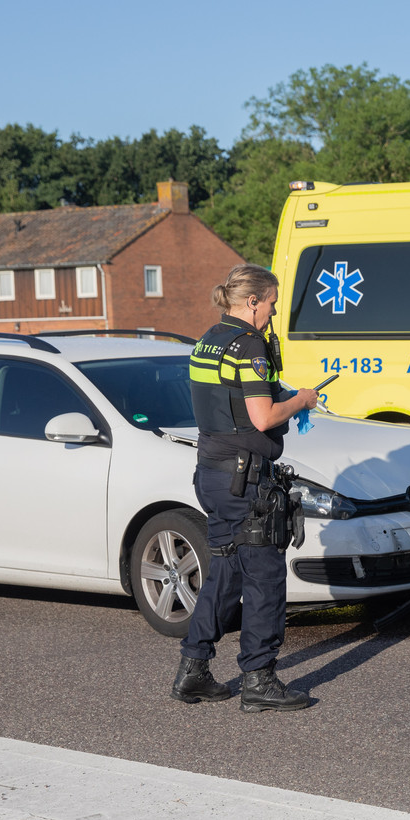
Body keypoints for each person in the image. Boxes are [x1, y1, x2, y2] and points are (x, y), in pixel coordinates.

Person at [170, 263, 319, 712]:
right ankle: (259, 678)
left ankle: (193, 669)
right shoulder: (250, 346)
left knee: (225, 570)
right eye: (271, 303)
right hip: (246, 480)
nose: (273, 313)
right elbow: (262, 417)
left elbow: (227, 403)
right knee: (265, 579)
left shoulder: (207, 341)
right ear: (253, 301)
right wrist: (300, 400)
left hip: (212, 473)